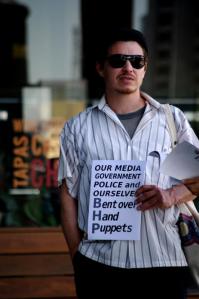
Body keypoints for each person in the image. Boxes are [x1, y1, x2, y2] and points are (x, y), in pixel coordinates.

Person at [58, 28, 199, 299]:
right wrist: (78, 257)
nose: (128, 67)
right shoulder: (77, 127)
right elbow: (67, 194)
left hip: (164, 262)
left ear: (145, 69)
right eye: (117, 60)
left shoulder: (172, 120)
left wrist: (171, 195)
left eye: (137, 61)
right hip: (98, 266)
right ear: (101, 68)